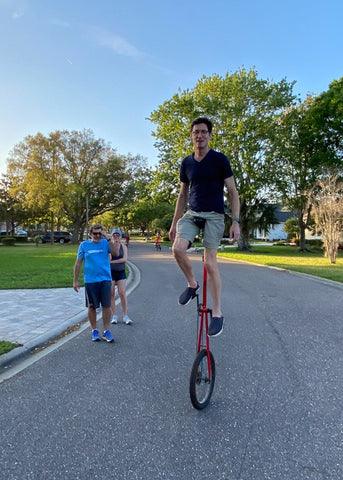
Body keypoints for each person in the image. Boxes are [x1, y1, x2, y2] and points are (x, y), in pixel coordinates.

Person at [169, 117, 240, 337]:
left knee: (210, 262)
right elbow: (182, 195)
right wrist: (174, 223)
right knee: (177, 249)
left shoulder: (220, 160)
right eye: (195, 132)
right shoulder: (186, 163)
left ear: (209, 135)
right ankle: (192, 284)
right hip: (193, 213)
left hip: (215, 216)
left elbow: (233, 192)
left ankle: (217, 313)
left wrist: (235, 222)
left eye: (203, 132)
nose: (199, 135)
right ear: (191, 136)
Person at [73, 224, 117, 342]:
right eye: (95, 233)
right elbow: (78, 263)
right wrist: (75, 280)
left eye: (99, 233)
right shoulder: (84, 245)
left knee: (106, 306)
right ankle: (94, 330)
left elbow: (115, 252)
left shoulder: (105, 243)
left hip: (105, 280)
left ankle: (106, 330)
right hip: (91, 281)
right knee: (92, 306)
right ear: (90, 234)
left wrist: (107, 238)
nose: (97, 236)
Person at [110, 228, 132, 325]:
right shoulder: (109, 247)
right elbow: (109, 257)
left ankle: (125, 315)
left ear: (120, 236)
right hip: (110, 272)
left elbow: (124, 259)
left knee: (122, 293)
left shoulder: (123, 247)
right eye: (114, 234)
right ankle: (114, 315)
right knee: (111, 294)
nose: (116, 236)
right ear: (111, 236)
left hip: (120, 271)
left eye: (118, 235)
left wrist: (112, 262)